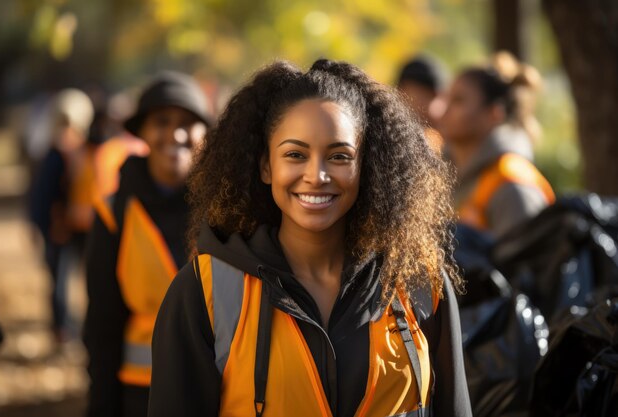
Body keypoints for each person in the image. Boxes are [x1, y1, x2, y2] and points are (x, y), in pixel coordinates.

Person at [149, 59, 471, 417]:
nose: (316, 175)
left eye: (339, 156)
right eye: (295, 155)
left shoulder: (419, 282)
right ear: (266, 167)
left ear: (366, 166)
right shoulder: (205, 291)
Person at [83, 71, 213, 417]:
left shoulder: (224, 212)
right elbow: (101, 325)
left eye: (189, 122)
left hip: (216, 388)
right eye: (162, 120)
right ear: (141, 131)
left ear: (206, 134)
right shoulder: (114, 213)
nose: (176, 133)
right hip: (141, 393)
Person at [436, 52, 555, 238]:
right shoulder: (441, 176)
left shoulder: (513, 185)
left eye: (458, 101)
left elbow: (527, 265)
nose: (442, 110)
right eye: (446, 98)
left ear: (494, 114)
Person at [27, 88, 94, 343]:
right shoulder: (53, 156)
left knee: (84, 279)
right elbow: (42, 196)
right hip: (59, 230)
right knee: (60, 279)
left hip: (82, 226)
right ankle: (62, 328)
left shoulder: (87, 152)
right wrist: (44, 225)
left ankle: (75, 326)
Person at [397, 55, 446, 152]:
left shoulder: (440, 141)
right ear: (402, 92)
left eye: (439, 98)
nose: (437, 107)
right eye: (426, 96)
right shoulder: (385, 136)